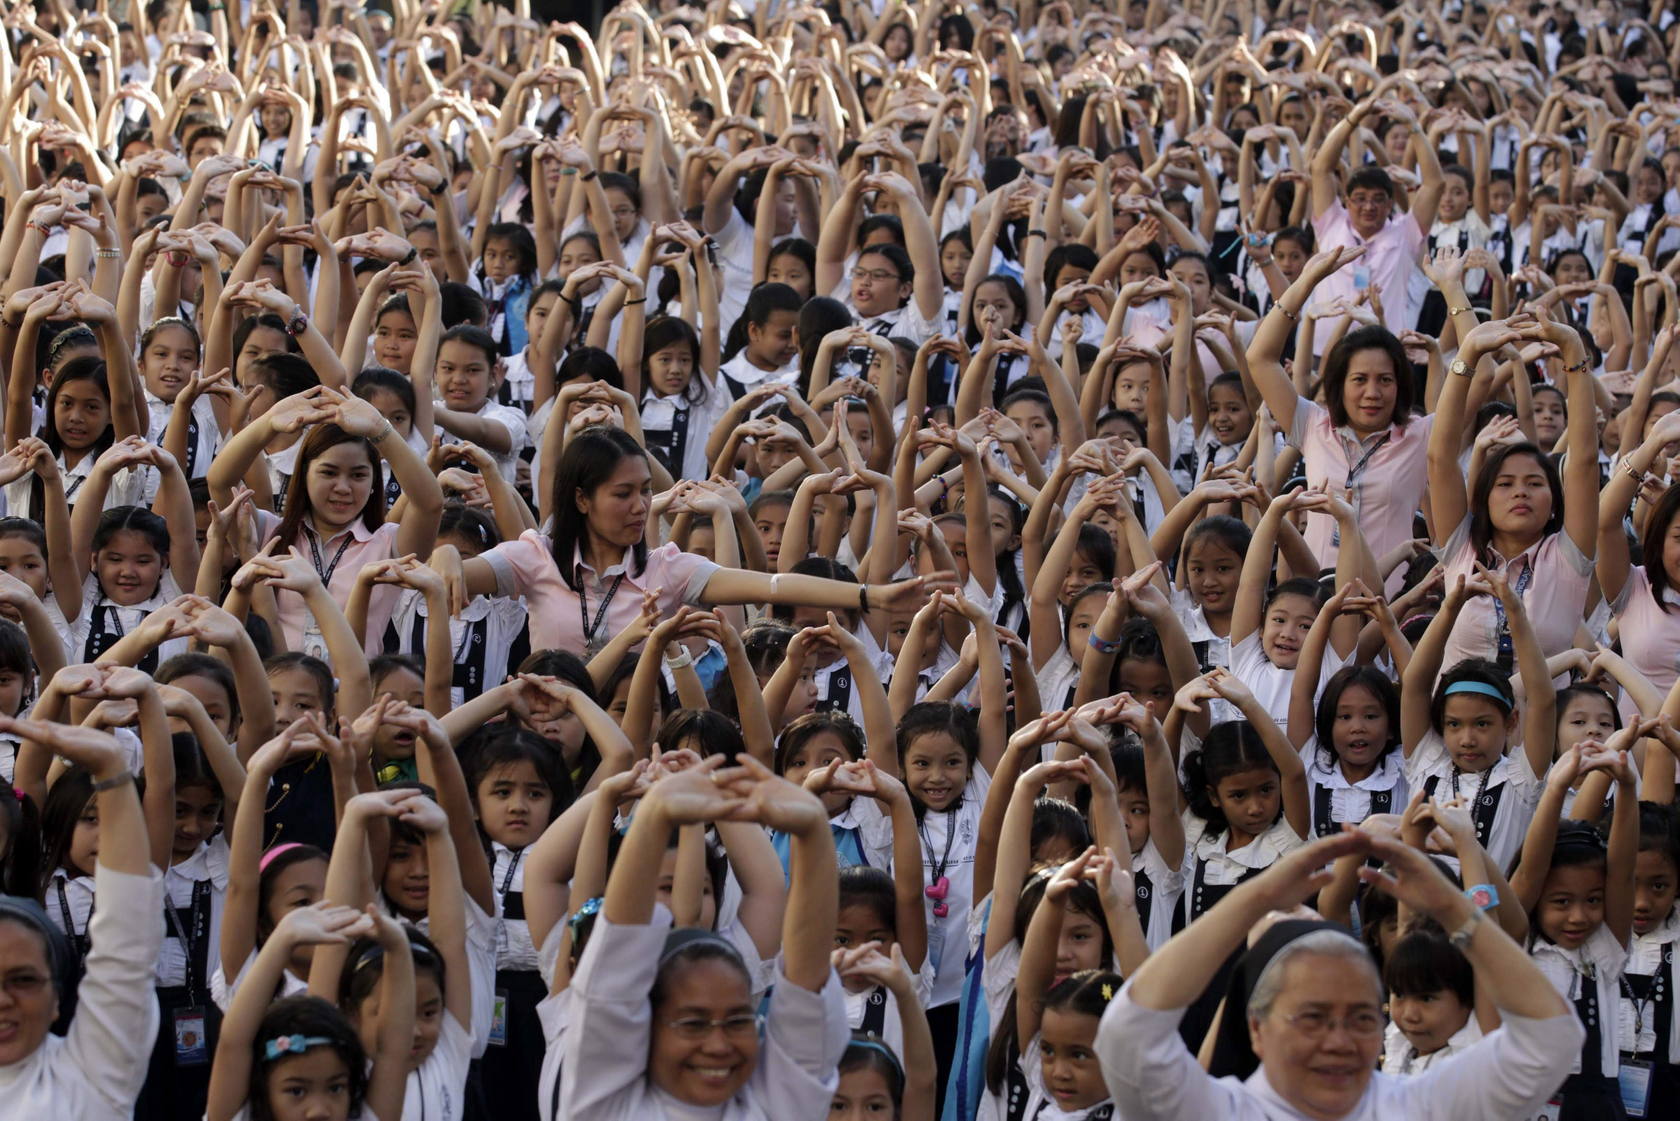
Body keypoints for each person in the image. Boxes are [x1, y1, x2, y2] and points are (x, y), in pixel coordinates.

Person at [1096, 830, 1584, 1121]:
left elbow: (1551, 1038)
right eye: (1312, 1017)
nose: (1339, 1041)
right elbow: (1128, 1036)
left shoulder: (1414, 1109)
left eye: (1362, 1018)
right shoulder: (1222, 1113)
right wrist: (1256, 899)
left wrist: (1452, 909)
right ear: (1257, 1029)